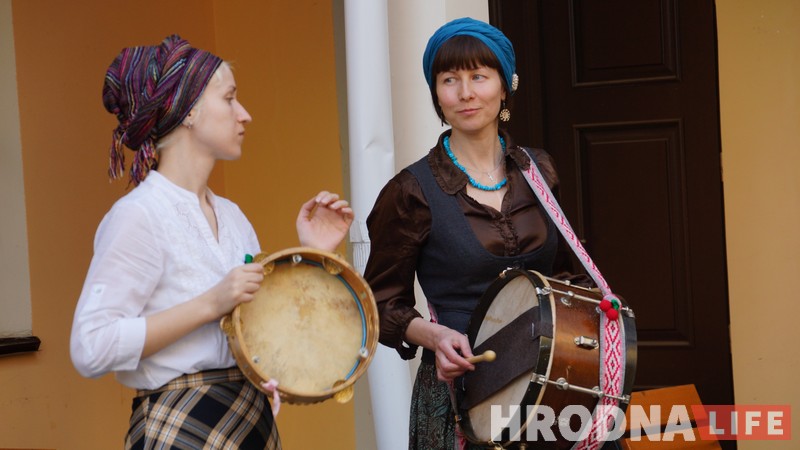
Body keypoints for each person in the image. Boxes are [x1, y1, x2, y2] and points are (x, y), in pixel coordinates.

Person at [70, 35, 353, 450]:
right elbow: (90, 348)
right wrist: (209, 303)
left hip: (250, 419)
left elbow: (258, 335)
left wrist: (314, 255)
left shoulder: (233, 217)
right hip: (180, 425)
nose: (245, 115)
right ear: (188, 111)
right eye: (230, 99)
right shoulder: (139, 216)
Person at [363, 17, 583, 449]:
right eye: (449, 80)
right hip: (459, 394)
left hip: (548, 388)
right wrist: (435, 336)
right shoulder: (411, 191)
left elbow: (564, 277)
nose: (465, 93)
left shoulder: (538, 170)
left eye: (479, 76)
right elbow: (377, 304)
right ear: (437, 96)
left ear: (504, 87)